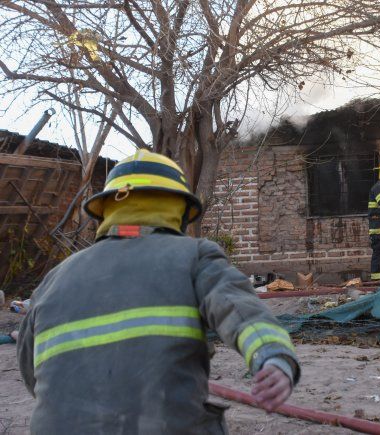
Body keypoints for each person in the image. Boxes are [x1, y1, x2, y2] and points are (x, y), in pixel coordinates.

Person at [16, 150, 299, 434]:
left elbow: (32, 370)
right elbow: (238, 309)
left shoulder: (54, 278)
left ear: (106, 210)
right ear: (179, 209)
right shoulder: (194, 256)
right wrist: (271, 357)